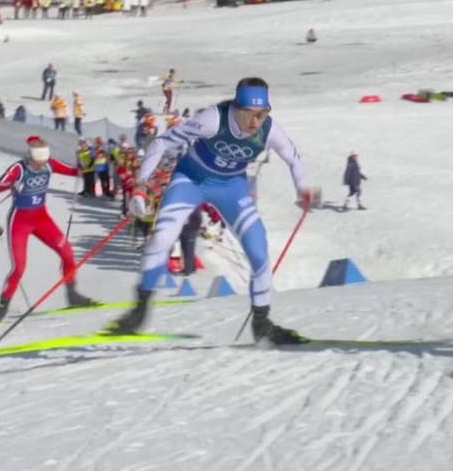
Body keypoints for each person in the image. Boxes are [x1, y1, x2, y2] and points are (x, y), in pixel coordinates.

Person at [106, 78, 320, 344]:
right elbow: (161, 143)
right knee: (162, 237)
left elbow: (293, 158)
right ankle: (138, 313)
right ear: (236, 108)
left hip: (231, 188)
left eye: (262, 113)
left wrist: (303, 188)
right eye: (250, 114)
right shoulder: (212, 119)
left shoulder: (269, 129)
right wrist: (140, 186)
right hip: (191, 180)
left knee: (258, 250)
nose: (256, 121)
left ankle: (262, 324)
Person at [0, 137, 98, 323]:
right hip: (20, 222)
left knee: (67, 253)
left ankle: (73, 295)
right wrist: (11, 184)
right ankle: (1, 307)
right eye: (37, 162)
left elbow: (75, 171)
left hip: (41, 219)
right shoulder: (19, 168)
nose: (41, 166)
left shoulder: (50, 164)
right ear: (29, 157)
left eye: (43, 162)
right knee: (19, 267)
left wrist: (85, 164)